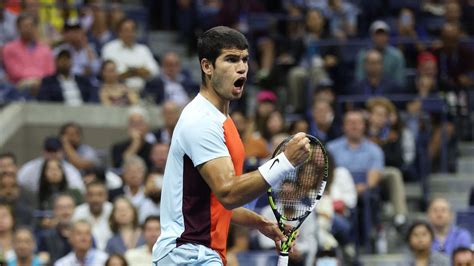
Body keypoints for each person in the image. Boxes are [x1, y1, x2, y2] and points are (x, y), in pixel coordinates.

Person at [153, 26, 310, 265]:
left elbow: (218, 202)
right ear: (207, 67)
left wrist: (262, 223)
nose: (242, 67)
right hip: (187, 254)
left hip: (198, 255)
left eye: (245, 59)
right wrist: (284, 162)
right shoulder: (201, 121)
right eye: (231, 59)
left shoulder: (223, 121)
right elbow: (228, 192)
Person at [72, 180, 113, 251]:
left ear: (106, 196)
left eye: (100, 195)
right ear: (85, 197)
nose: (95, 199)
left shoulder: (113, 210)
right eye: (91, 195)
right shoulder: (77, 212)